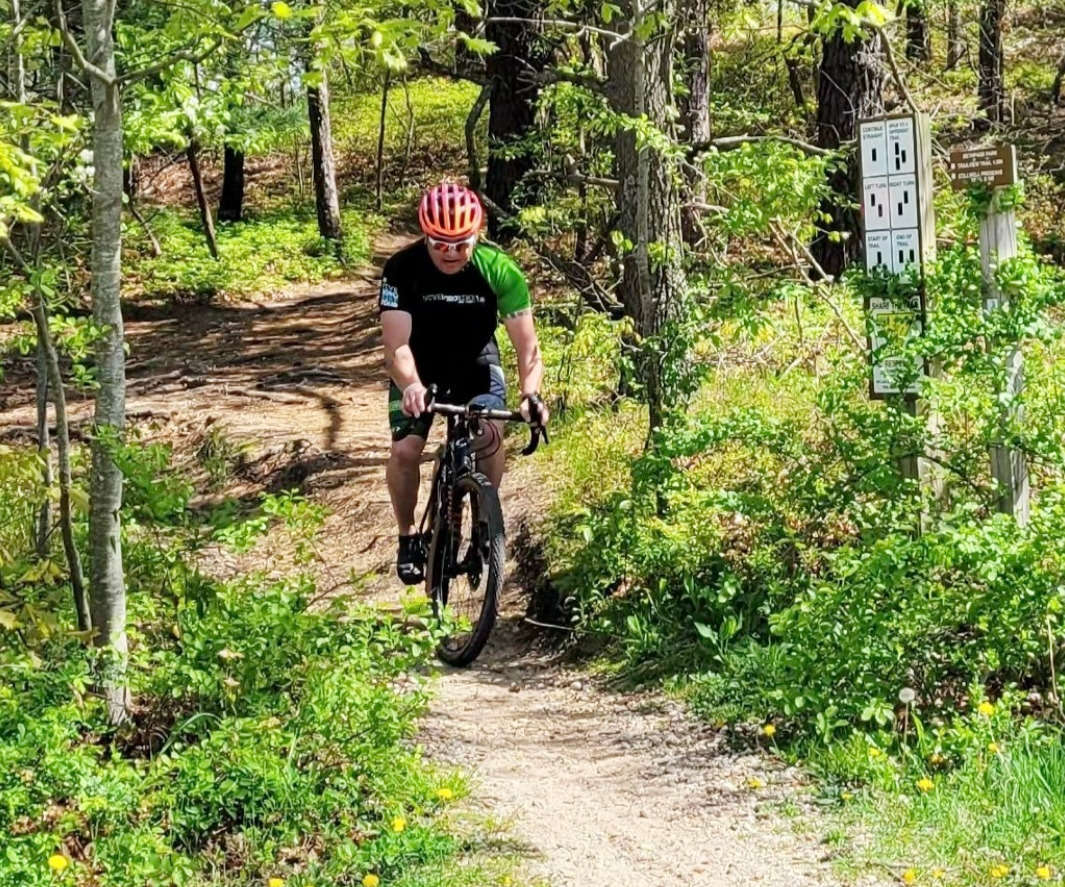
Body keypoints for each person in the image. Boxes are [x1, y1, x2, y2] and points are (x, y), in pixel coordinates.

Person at [379, 182, 549, 584]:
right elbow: (396, 347)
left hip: (475, 362)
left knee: (491, 432)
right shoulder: (402, 268)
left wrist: (530, 394)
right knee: (405, 450)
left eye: (461, 243)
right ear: (425, 235)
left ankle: (486, 517)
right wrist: (412, 386)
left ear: (477, 235)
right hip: (419, 368)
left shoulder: (499, 268)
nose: (451, 252)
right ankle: (407, 536)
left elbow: (528, 347)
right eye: (440, 243)